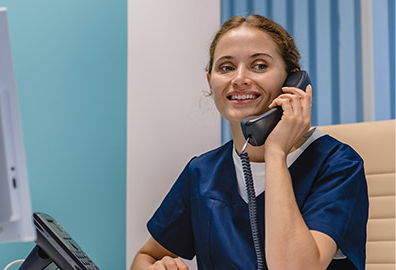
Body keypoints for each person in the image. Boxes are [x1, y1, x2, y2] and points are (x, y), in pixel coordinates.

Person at [130, 14, 368, 270]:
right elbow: (145, 258)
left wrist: (275, 152)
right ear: (211, 82)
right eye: (226, 68)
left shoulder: (338, 165)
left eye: (259, 66)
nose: (239, 78)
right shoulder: (202, 173)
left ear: (292, 81)